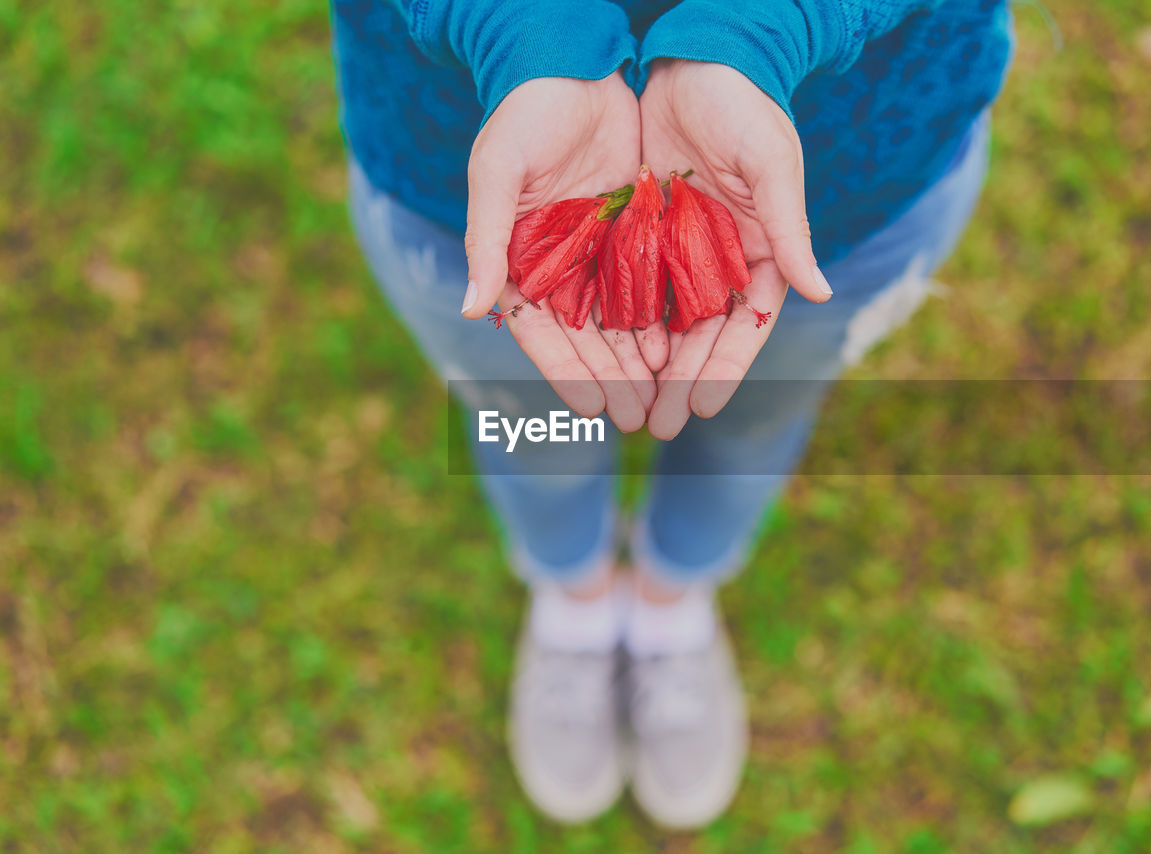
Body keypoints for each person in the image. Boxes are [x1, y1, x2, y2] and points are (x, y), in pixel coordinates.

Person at [332, 0, 1013, 828]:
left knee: (756, 418)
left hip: (856, 160)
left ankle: (670, 599)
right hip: (465, 154)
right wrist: (522, 34)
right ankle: (576, 601)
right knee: (526, 420)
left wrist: (766, 28)